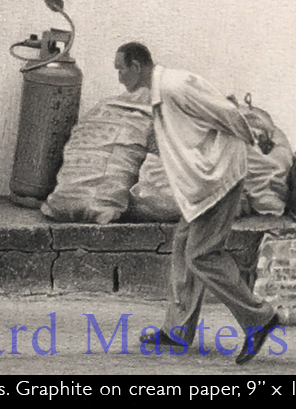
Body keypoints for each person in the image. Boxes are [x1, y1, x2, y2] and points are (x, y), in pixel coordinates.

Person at [116, 42, 280, 363]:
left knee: (202, 254)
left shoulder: (175, 86)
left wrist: (255, 136)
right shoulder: (160, 92)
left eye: (121, 69)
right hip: (201, 181)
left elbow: (224, 111)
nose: (119, 76)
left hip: (218, 177)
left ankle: (259, 319)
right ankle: (177, 331)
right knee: (183, 244)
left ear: (136, 66)